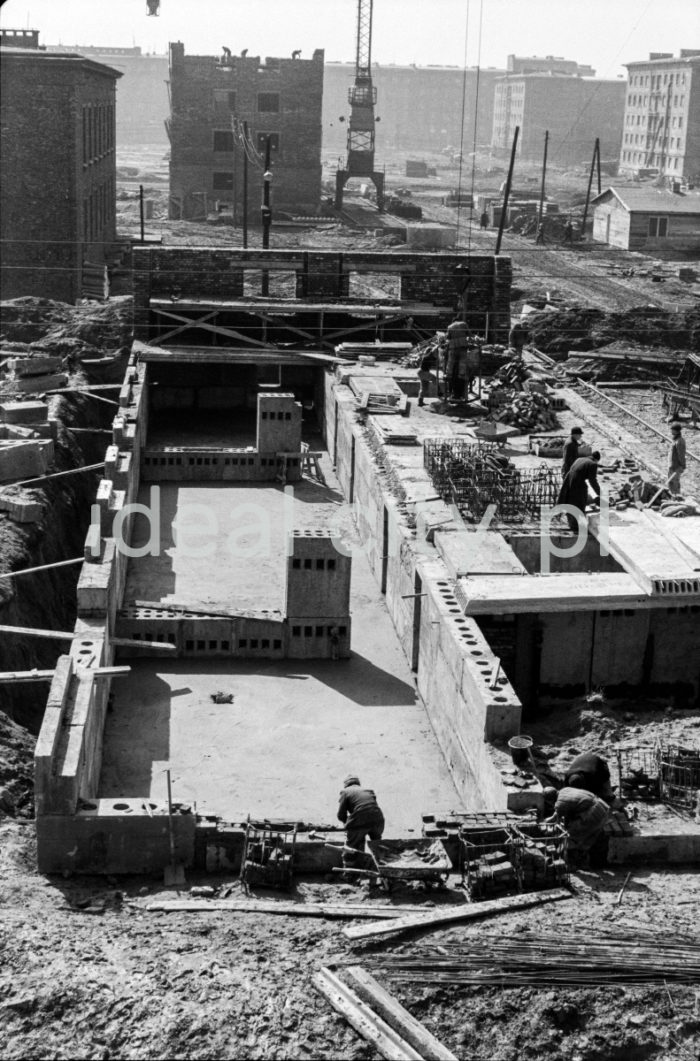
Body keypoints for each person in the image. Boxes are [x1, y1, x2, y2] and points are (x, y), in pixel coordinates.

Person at [546, 786, 611, 863]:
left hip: (593, 813)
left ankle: (567, 860)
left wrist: (545, 822)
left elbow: (555, 818)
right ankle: (584, 860)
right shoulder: (565, 790)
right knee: (590, 836)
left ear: (550, 800)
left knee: (571, 836)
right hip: (603, 808)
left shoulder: (560, 803)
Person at [337, 775, 385, 869]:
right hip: (378, 819)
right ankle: (381, 866)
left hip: (360, 818)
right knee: (376, 844)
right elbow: (370, 807)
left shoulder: (345, 792)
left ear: (346, 785)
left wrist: (348, 825)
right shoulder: (369, 791)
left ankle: (349, 873)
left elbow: (340, 815)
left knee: (350, 846)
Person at [557, 451, 601, 533]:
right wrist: (599, 493)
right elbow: (593, 481)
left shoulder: (579, 459)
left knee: (570, 501)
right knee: (579, 504)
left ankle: (572, 523)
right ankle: (577, 527)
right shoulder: (593, 464)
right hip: (578, 484)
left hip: (569, 481)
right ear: (596, 460)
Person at [446, 318, 469, 401]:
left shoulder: (450, 326)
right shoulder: (463, 323)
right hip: (463, 347)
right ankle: (461, 374)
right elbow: (468, 334)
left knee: (451, 363)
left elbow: (448, 337)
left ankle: (449, 373)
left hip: (453, 348)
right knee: (462, 363)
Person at [668, 422, 686, 496]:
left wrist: (682, 465)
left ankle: (677, 498)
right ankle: (673, 497)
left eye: (672, 429)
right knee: (671, 483)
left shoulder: (679, 441)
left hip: (676, 467)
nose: (671, 431)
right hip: (672, 466)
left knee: (675, 483)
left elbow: (681, 455)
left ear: (676, 430)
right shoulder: (675, 440)